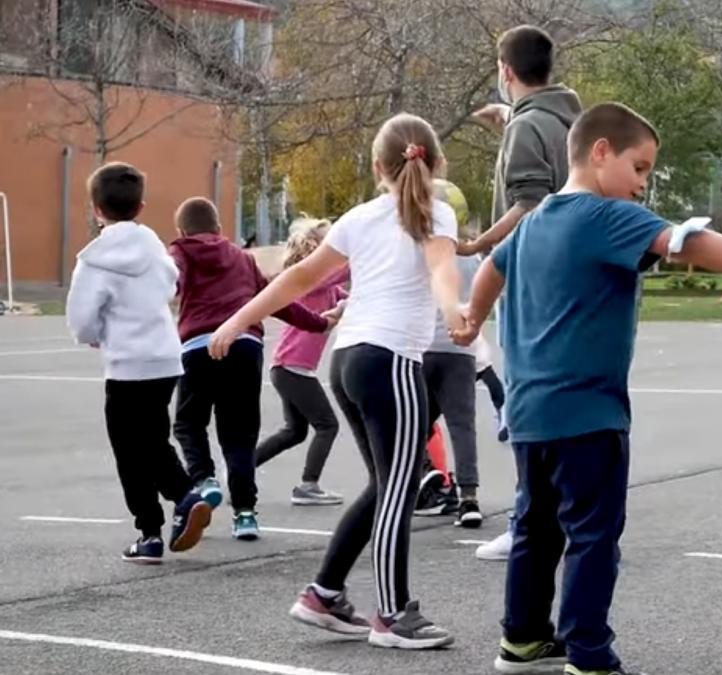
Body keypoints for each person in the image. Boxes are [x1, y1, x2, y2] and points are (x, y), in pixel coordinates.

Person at [452, 101, 722, 675]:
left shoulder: (536, 219)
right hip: (589, 414)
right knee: (594, 534)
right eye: (639, 168)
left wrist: (473, 314)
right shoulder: (602, 216)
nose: (642, 184)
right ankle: (589, 654)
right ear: (600, 154)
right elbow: (687, 243)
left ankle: (521, 640)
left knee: (536, 528)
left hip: (530, 413)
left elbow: (494, 266)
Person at [208, 112, 461, 650]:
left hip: (347, 362)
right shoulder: (435, 211)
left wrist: (234, 319)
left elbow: (298, 276)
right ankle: (393, 615)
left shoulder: (358, 216)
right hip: (391, 360)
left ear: (377, 167)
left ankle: (324, 594)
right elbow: (441, 270)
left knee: (384, 486)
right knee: (401, 487)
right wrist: (455, 310)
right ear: (437, 164)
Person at [467, 24, 584, 564]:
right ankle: (563, 515)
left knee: (527, 404)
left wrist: (480, 244)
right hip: (573, 280)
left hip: (534, 280)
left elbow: (529, 203)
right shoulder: (573, 123)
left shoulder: (528, 126)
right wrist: (507, 124)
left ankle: (528, 520)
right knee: (565, 404)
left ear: (505, 71)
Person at [65, 162, 212, 564]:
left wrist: (94, 335)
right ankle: (179, 502)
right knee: (152, 439)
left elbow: (80, 317)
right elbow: (171, 284)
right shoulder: (154, 247)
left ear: (96, 209)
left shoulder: (93, 260)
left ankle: (157, 523)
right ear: (141, 206)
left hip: (126, 364)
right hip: (164, 359)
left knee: (130, 450)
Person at [171, 197, 332, 541]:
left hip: (199, 345)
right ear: (218, 228)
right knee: (240, 433)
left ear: (181, 231)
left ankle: (204, 479)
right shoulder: (242, 257)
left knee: (188, 421)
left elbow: (170, 284)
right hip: (246, 346)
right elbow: (276, 299)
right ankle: (245, 514)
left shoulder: (180, 252)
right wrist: (318, 323)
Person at [253, 218, 349, 506]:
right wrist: (360, 252)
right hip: (291, 367)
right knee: (327, 425)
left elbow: (351, 298)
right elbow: (342, 271)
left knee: (294, 431)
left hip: (293, 368)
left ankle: (241, 467)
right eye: (330, 241)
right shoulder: (312, 281)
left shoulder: (329, 288)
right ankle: (308, 485)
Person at [413, 178, 485, 528]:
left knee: (412, 423)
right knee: (462, 426)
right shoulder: (474, 258)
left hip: (423, 347)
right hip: (460, 349)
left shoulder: (422, 252)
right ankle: (468, 497)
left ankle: (421, 476)